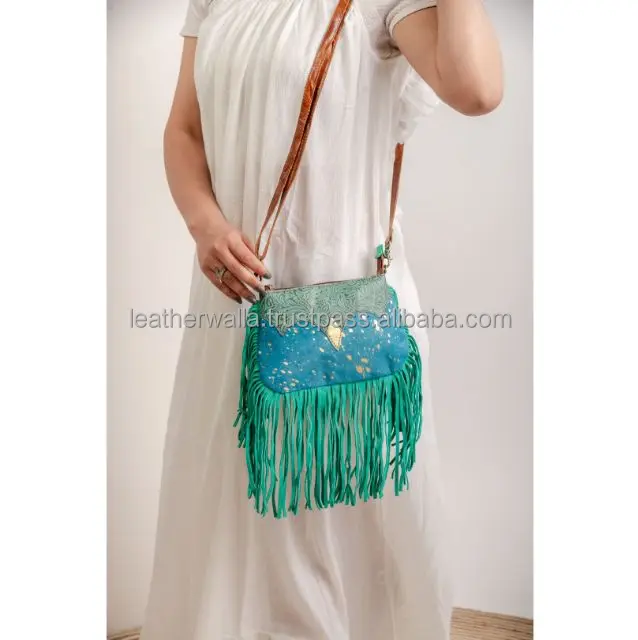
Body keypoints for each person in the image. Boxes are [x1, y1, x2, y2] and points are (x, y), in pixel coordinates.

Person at [141, 0, 502, 638]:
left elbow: (476, 90)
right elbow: (184, 129)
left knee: (342, 528)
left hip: (351, 318)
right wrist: (204, 224)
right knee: (236, 507)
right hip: (236, 296)